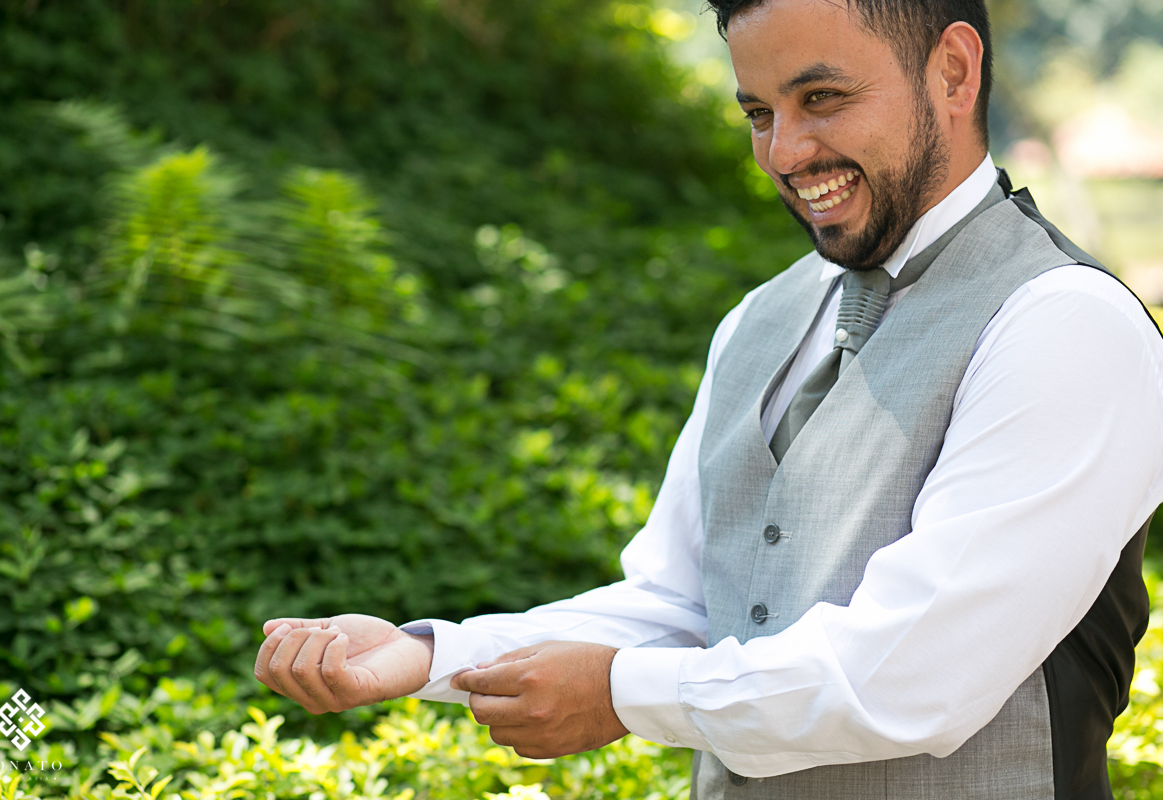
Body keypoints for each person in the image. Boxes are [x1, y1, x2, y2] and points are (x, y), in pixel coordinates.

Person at [255, 0, 1163, 796]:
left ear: (954, 72)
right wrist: (426, 654)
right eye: (759, 112)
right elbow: (679, 604)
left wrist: (618, 695)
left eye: (823, 99)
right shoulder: (760, 321)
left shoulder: (1065, 325)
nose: (786, 151)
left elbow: (910, 678)